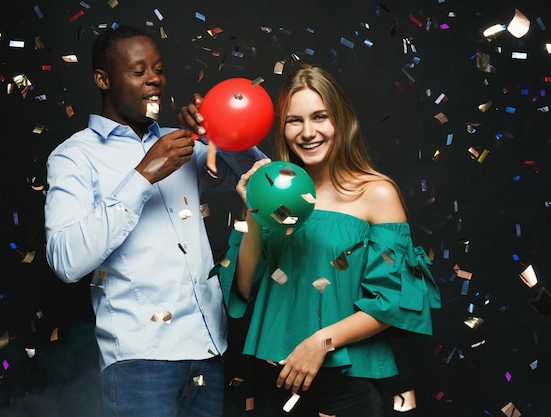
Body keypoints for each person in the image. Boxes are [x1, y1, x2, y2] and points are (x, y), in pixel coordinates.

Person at [43, 25, 266, 417]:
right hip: (139, 359)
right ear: (103, 79)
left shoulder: (180, 143)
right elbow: (65, 261)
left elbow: (262, 183)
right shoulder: (74, 157)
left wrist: (217, 130)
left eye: (159, 69)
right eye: (139, 70)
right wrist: (144, 174)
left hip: (209, 349)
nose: (155, 80)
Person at [219, 67, 441, 417]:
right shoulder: (275, 192)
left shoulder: (376, 193)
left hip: (347, 379)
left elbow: (393, 299)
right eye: (295, 121)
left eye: (319, 117)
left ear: (341, 120)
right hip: (273, 375)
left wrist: (320, 343)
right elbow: (244, 288)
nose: (308, 132)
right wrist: (254, 212)